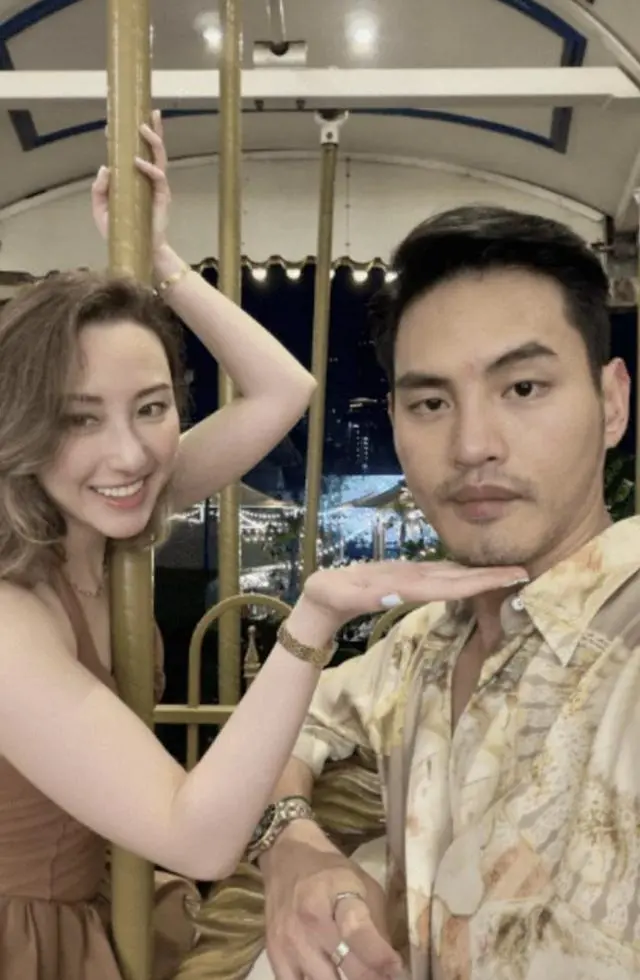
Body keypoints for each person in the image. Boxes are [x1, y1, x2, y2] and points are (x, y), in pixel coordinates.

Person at [0, 111, 527, 980]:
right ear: (25, 427)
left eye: (152, 407)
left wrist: (164, 267)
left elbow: (284, 389)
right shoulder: (15, 609)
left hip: (99, 903)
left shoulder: (106, 515)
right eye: (79, 419)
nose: (127, 454)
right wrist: (312, 619)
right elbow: (198, 837)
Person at [247, 206, 640, 980]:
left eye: (523, 387)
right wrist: (292, 846)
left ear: (613, 402)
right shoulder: (423, 645)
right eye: (431, 403)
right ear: (396, 421)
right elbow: (276, 733)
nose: (472, 446)